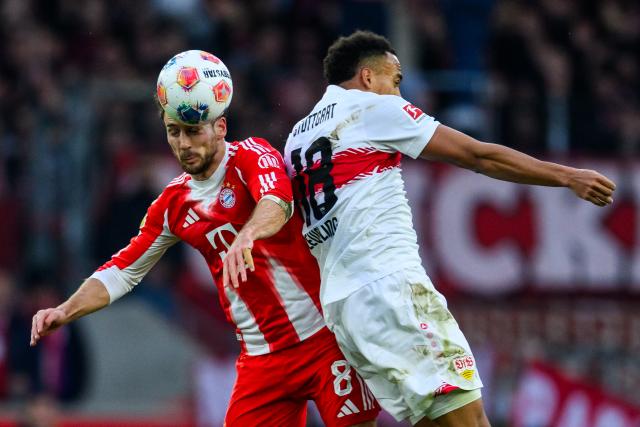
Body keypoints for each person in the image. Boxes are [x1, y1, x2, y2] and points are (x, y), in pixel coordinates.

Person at [282, 31, 616, 427]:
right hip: (390, 288)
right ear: (368, 77)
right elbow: (478, 155)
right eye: (396, 80)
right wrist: (566, 176)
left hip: (344, 309)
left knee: (436, 422)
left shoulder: (296, 138)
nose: (400, 94)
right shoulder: (372, 109)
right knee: (470, 420)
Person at [30, 51, 379, 427]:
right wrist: (65, 310)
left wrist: (247, 235)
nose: (183, 144)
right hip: (263, 361)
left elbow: (278, 202)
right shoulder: (172, 204)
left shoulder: (252, 156)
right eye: (173, 131)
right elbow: (123, 271)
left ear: (220, 128)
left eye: (193, 130)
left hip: (324, 338)